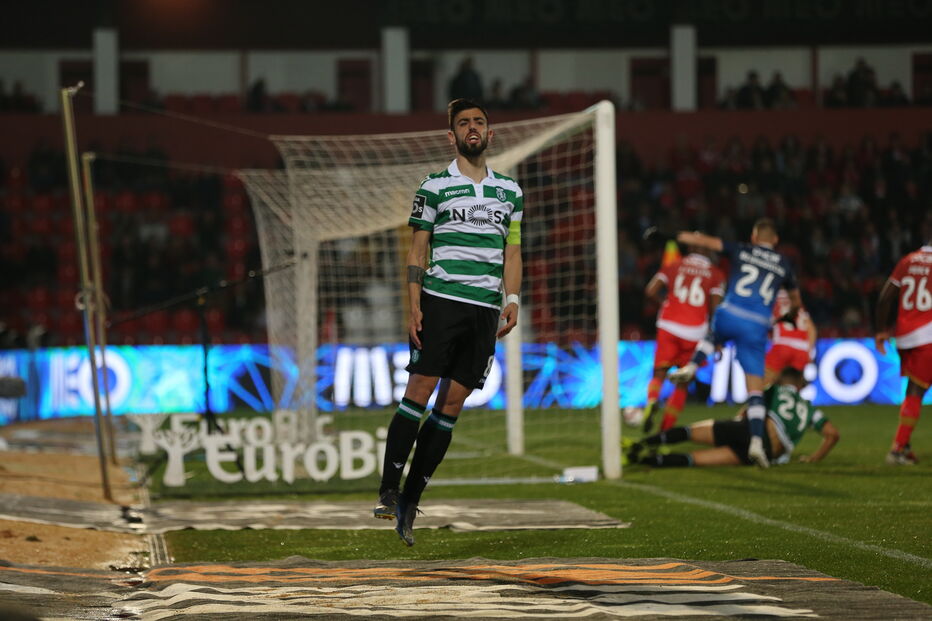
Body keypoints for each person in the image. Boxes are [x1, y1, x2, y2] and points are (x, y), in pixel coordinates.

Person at [373, 98, 523, 546]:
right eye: (463, 123)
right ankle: (388, 487)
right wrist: (413, 302)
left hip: (483, 312)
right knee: (417, 392)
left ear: (490, 134)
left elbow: (511, 253)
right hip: (440, 302)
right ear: (451, 135)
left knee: (452, 406)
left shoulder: (510, 192)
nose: (472, 128)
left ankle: (410, 502)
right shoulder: (434, 186)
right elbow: (418, 250)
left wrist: (512, 297)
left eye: (478, 122)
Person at [668, 218, 802, 468]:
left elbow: (702, 240)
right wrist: (789, 315)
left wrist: (672, 234)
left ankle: (692, 366)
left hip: (730, 312)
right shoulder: (783, 264)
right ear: (775, 241)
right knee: (755, 392)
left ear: (753, 237)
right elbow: (795, 301)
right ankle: (755, 443)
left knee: (714, 334)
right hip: (756, 324)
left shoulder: (742, 249)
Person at [628, 367, 839, 468]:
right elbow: (832, 435)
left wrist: (737, 420)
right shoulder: (809, 409)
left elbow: (750, 408)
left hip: (749, 430)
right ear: (800, 386)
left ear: (784, 379)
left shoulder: (774, 390)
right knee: (695, 460)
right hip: (766, 453)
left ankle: (638, 446)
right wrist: (814, 457)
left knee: (690, 432)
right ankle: (644, 461)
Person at [641, 244, 725, 434]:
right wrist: (717, 339)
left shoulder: (674, 265)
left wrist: (666, 303)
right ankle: (664, 431)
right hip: (695, 331)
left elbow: (650, 291)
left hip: (668, 324)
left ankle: (653, 400)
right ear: (708, 252)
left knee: (659, 373)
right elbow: (716, 309)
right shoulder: (715, 273)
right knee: (683, 384)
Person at [874, 239, 932, 465]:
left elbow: (886, 296)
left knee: (914, 388)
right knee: (916, 391)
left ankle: (904, 446)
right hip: (928, 333)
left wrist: (880, 330)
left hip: (906, 335)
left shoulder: (908, 260)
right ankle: (897, 449)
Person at [763, 289, 816, 387]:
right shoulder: (800, 308)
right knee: (795, 382)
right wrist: (809, 350)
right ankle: (793, 401)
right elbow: (811, 329)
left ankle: (760, 400)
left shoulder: (774, 304)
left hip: (783, 345)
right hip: (802, 349)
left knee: (767, 377)